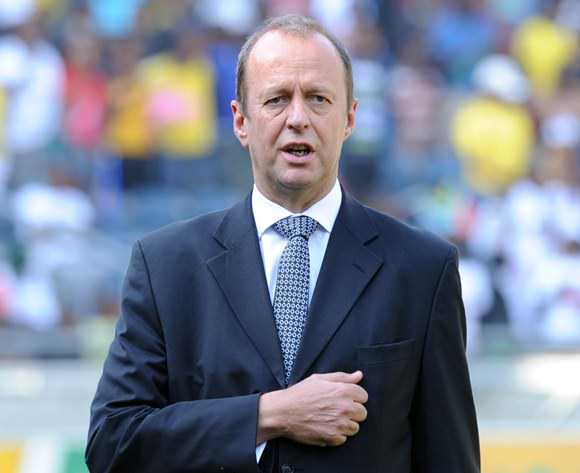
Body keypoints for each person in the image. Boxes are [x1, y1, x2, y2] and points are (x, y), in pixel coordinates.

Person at [86, 14, 480, 473]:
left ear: (350, 117)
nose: (298, 118)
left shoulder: (422, 269)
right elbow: (112, 443)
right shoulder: (166, 266)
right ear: (241, 121)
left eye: (318, 99)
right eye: (276, 99)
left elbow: (450, 460)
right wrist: (268, 415)